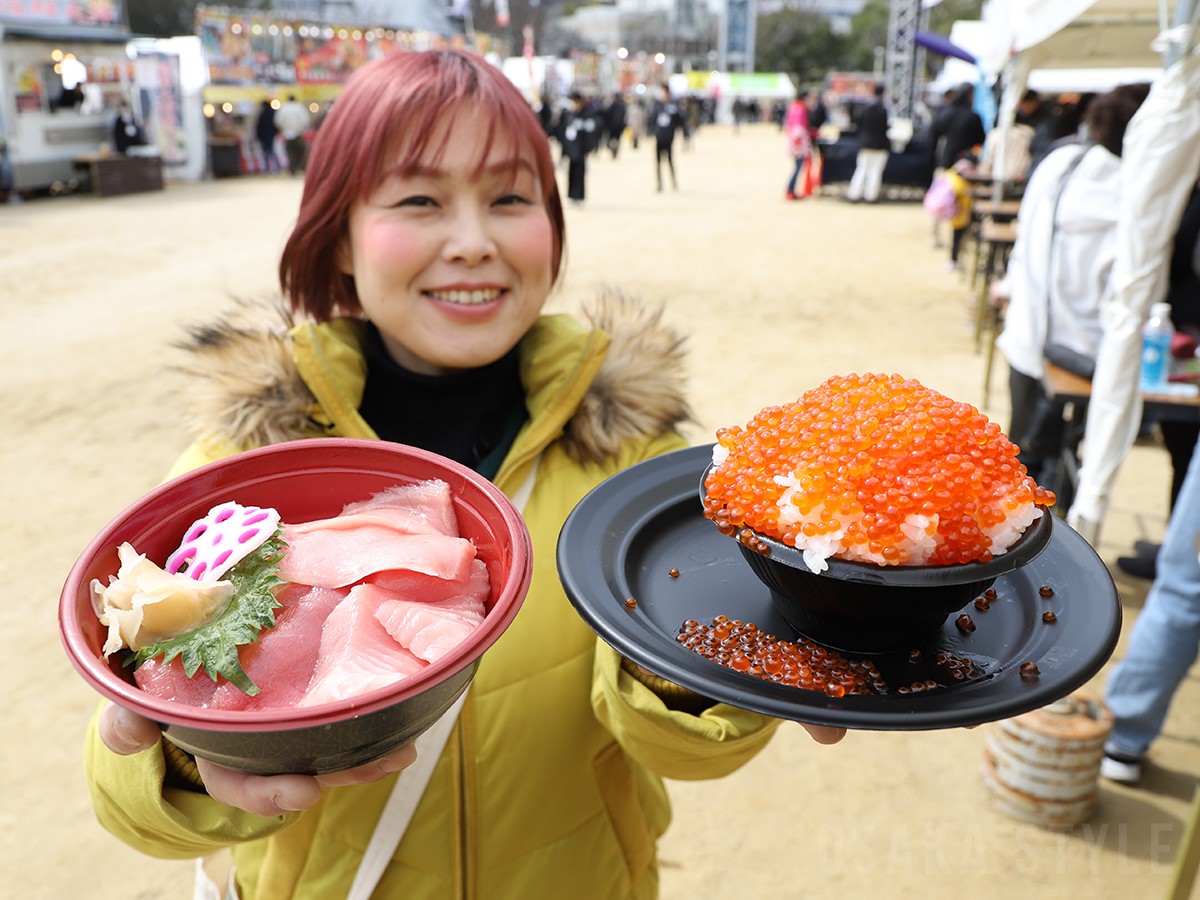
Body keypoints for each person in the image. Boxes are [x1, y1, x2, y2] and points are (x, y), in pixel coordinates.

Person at [83, 50, 844, 899]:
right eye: (418, 201)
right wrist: (189, 761)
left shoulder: (632, 466)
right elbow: (124, 793)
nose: (475, 243)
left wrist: (718, 676)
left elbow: (676, 752)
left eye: (511, 199)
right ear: (337, 234)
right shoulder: (243, 470)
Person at [989, 83, 1151, 513]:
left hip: (1031, 334)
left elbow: (1025, 239)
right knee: (1068, 450)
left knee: (1022, 452)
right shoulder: (1139, 187)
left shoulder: (1061, 161)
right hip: (1090, 349)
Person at [845, 84, 890, 204]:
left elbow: (857, 125)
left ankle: (854, 194)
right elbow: (884, 128)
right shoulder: (883, 109)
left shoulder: (865, 108)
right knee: (875, 171)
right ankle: (871, 196)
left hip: (865, 143)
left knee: (861, 169)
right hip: (880, 144)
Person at [556, 91, 594, 206]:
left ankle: (579, 196)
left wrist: (588, 148)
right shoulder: (568, 115)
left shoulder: (586, 114)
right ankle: (572, 195)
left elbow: (591, 132)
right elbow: (561, 130)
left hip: (581, 149)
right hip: (571, 148)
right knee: (571, 172)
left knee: (580, 173)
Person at [651, 85, 684, 192]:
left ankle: (673, 182)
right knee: (658, 162)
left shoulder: (674, 106)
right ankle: (659, 184)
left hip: (669, 138)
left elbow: (680, 121)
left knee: (670, 161)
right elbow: (652, 120)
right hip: (659, 137)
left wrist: (685, 135)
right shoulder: (657, 106)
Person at [783, 90, 812, 201]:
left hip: (795, 141)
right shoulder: (800, 109)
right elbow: (798, 128)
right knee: (798, 168)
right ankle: (790, 190)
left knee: (797, 167)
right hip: (798, 144)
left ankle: (791, 190)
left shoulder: (794, 107)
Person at [275, 94, 311, 175]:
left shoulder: (283, 108)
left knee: (290, 154)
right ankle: (302, 168)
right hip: (298, 133)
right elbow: (305, 120)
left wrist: (284, 129)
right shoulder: (299, 107)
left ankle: (292, 170)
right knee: (301, 152)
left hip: (287, 134)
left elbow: (278, 121)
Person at [254, 99, 279, 173]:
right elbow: (276, 124)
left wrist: (258, 135)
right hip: (272, 135)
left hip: (264, 136)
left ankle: (266, 168)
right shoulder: (273, 113)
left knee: (265, 152)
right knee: (273, 151)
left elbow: (259, 126)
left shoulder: (262, 114)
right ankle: (275, 167)